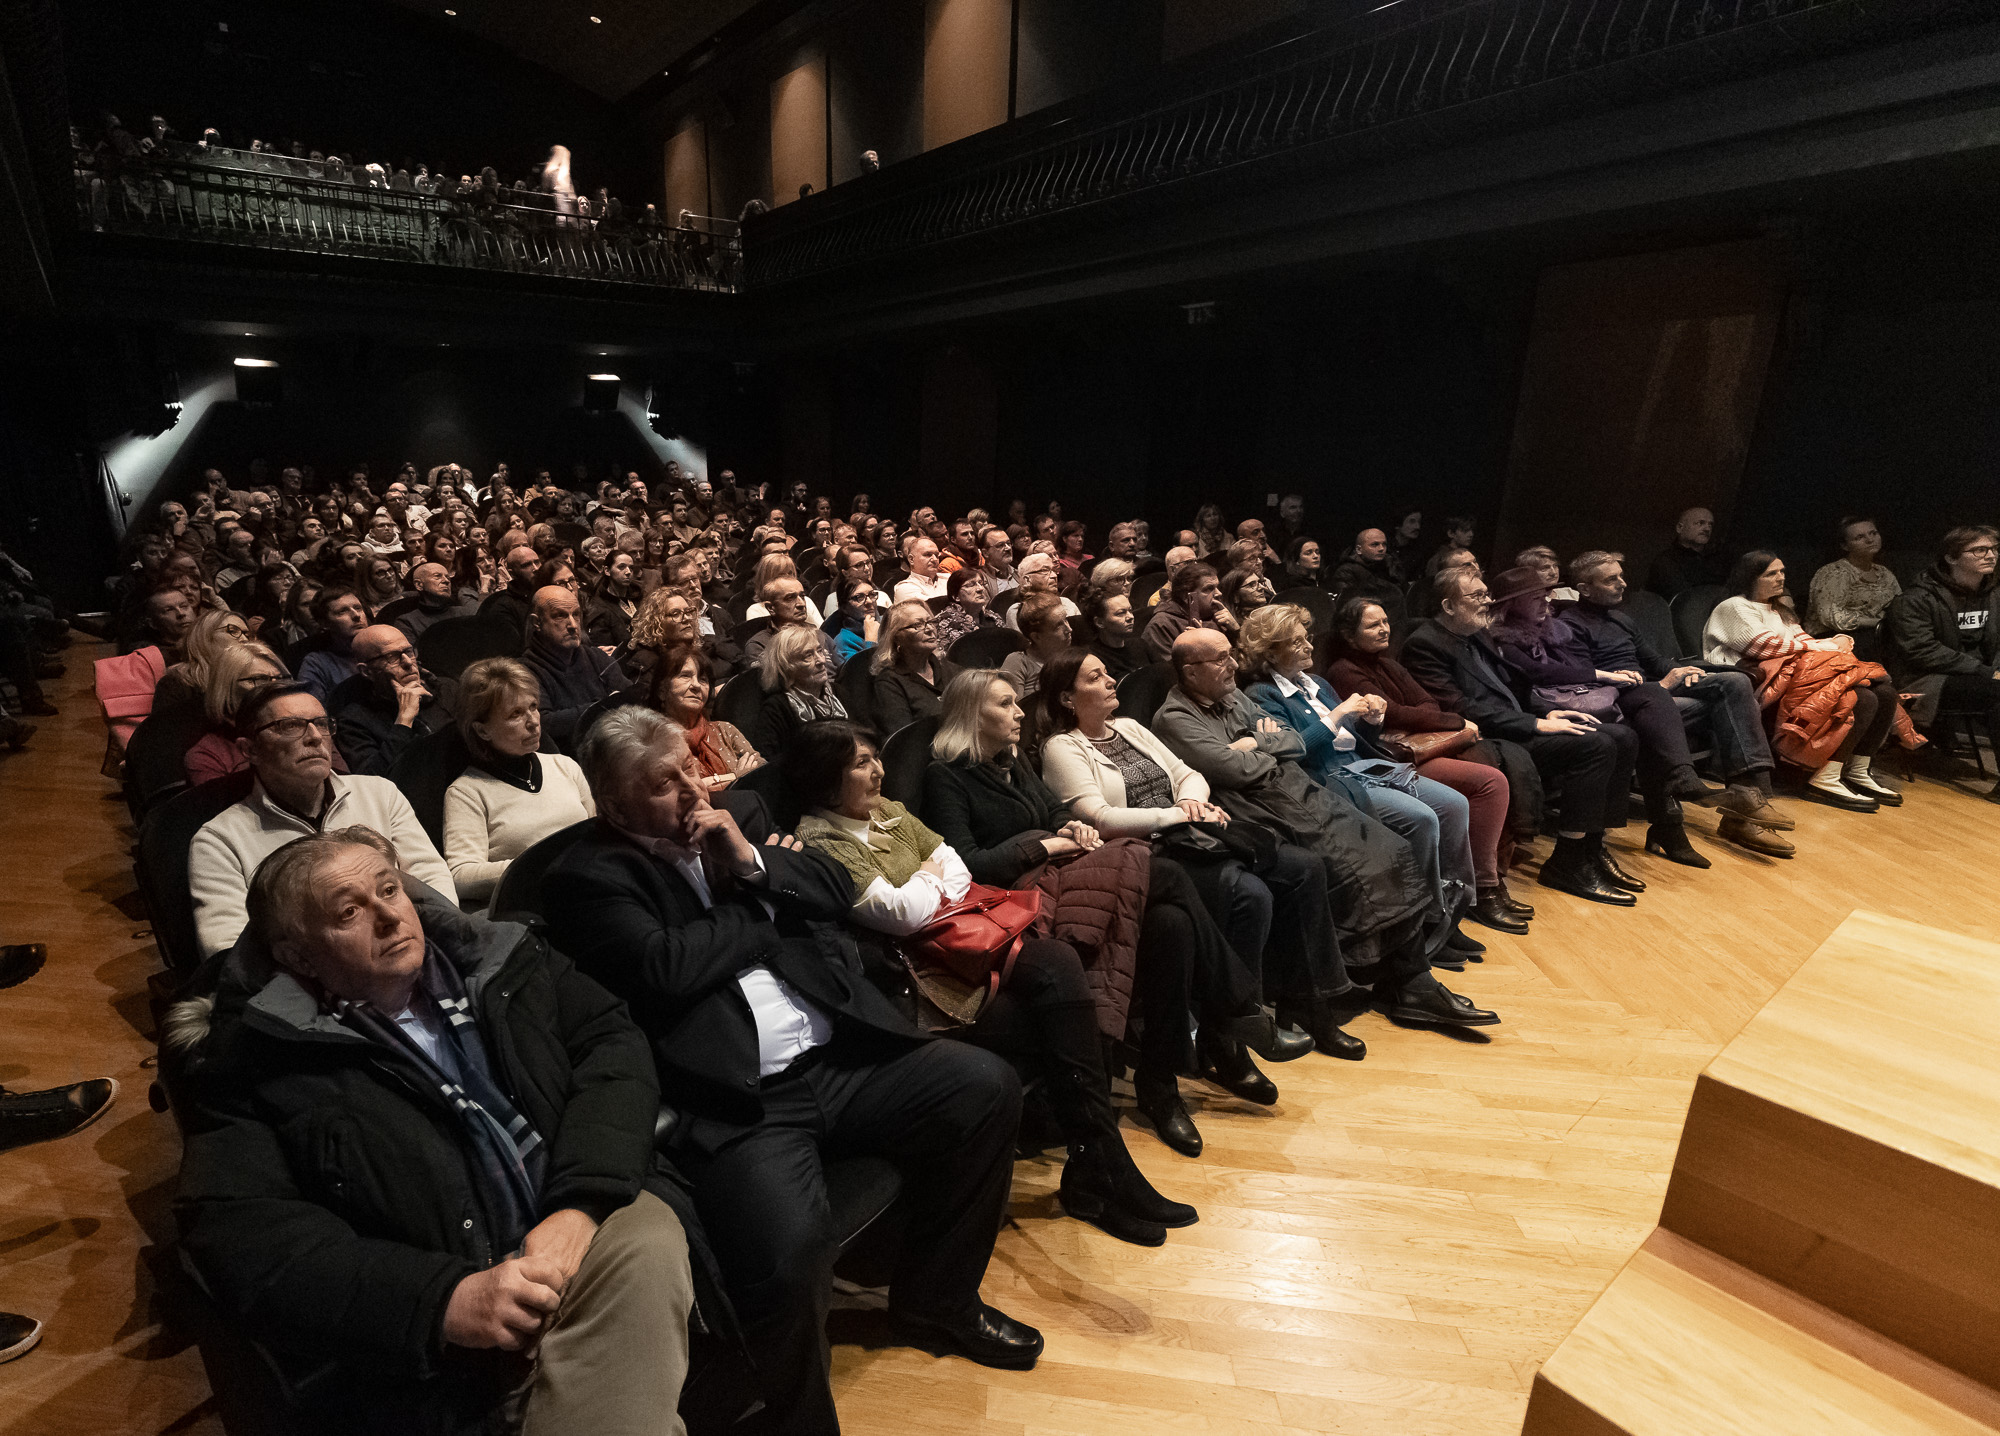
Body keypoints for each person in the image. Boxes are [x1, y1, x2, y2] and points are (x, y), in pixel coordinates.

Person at [539, 708, 1041, 1434]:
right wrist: (765, 907)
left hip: (841, 1056)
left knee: (985, 1088)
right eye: (662, 784)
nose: (691, 789)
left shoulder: (738, 810)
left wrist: (750, 864)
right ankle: (800, 1417)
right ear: (613, 805)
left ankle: (937, 1301)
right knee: (787, 1255)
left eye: (688, 766)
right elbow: (665, 968)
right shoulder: (584, 875)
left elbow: (833, 888)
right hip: (745, 1100)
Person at [167, 826, 697, 1435]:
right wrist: (446, 1301)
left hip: (581, 1231)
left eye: (390, 890)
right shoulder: (255, 1059)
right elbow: (244, 1235)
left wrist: (577, 1210)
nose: (390, 917)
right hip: (453, 1320)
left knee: (649, 1230)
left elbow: (614, 1045)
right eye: (349, 912)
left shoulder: (505, 961)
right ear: (297, 956)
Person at [791, 718, 1197, 1242]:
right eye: (862, 763)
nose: (879, 771)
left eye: (876, 757)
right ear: (826, 778)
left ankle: (1096, 1161)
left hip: (963, 942)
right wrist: (927, 880)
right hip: (918, 974)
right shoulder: (820, 839)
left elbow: (955, 868)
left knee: (1061, 961)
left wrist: (926, 885)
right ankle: (1098, 1164)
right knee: (1061, 1004)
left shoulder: (888, 811)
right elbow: (900, 913)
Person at [1155, 630, 1500, 1033]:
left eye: (1232, 655)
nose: (1233, 665)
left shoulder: (1233, 695)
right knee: (1357, 864)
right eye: (1221, 659)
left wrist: (1254, 743)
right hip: (1256, 808)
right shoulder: (1174, 717)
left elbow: (1294, 742)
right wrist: (1262, 742)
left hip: (1297, 789)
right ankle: (1402, 984)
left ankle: (1407, 980)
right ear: (1190, 672)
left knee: (1393, 849)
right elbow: (1234, 770)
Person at [1038, 652, 1366, 1060]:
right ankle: (1228, 1041)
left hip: (1192, 832)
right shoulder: (1061, 748)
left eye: (1107, 672)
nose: (1110, 681)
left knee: (1304, 868)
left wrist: (1192, 802)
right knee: (1252, 896)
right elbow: (1099, 817)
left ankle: (1309, 1004)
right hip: (1146, 851)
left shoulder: (1129, 727)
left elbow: (1187, 774)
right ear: (1068, 698)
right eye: (1095, 677)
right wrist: (1178, 813)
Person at [1236, 606, 1485, 960]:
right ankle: (1427, 923)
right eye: (1297, 642)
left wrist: (1372, 719)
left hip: (1366, 767)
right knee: (1422, 819)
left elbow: (1353, 737)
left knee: (1453, 804)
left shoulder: (1317, 684)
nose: (1309, 646)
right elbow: (1293, 751)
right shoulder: (1263, 695)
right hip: (1331, 781)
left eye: (1307, 637)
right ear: (1271, 652)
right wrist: (1338, 715)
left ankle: (1449, 909)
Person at [1400, 570, 1642, 907]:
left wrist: (1546, 714)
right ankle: (1568, 861)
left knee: (1623, 736)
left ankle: (1591, 844)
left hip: (1517, 721)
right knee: (1595, 745)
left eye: (1486, 593)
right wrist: (1534, 724)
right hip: (1487, 735)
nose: (1488, 601)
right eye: (1477, 596)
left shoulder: (1477, 634)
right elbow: (1458, 708)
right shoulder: (1425, 644)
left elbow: (1512, 686)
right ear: (1448, 605)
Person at [189, 683, 456, 956]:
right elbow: (226, 948)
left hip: (410, 951)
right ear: (250, 750)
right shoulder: (219, 841)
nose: (315, 737)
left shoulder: (379, 793)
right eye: (290, 726)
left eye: (322, 723)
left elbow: (430, 878)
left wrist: (440, 945)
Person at [1561, 552, 1798, 857]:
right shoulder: (1569, 624)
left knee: (1735, 682)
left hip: (1650, 688)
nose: (1623, 584)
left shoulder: (1621, 619)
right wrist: (1658, 685)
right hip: (1619, 697)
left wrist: (1679, 670)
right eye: (1611, 579)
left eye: (1621, 575)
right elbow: (1583, 681)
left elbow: (1654, 661)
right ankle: (1715, 816)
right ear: (1584, 588)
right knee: (1690, 705)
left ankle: (1750, 799)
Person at [1485, 567, 1715, 868]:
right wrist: (1604, 675)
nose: (1546, 603)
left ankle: (1678, 781)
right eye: (1535, 598)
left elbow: (1579, 666)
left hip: (1583, 697)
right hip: (1549, 706)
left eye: (1546, 596)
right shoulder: (1503, 639)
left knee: (1652, 701)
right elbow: (1541, 673)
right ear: (1511, 605)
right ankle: (1659, 823)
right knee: (1639, 729)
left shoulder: (1555, 629)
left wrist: (1613, 679)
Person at [1323, 596, 1529, 926]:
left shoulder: (1387, 663)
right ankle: (1484, 889)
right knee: (1491, 782)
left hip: (1419, 745)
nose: (1383, 629)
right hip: (1395, 757)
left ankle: (1489, 882)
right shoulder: (1344, 671)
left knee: (1499, 765)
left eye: (1386, 622)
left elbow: (1425, 702)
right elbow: (1395, 713)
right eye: (1373, 625)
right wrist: (1455, 723)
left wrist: (1426, 718)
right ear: (1349, 635)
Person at [1706, 552, 1904, 810]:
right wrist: (1828, 646)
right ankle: (1825, 777)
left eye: (1782, 571)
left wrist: (1839, 640)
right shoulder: (1733, 606)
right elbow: (1763, 646)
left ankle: (1855, 768)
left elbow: (1805, 643)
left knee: (1883, 691)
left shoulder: (1780, 610)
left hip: (1791, 677)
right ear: (1750, 577)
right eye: (1771, 573)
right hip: (1753, 682)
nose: (1781, 578)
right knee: (1858, 696)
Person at [443, 658, 596, 905]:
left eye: (533, 707)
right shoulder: (467, 791)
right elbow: (461, 875)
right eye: (516, 714)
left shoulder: (563, 765)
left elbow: (597, 830)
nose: (534, 721)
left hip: (591, 886)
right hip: (533, 904)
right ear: (483, 731)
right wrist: (545, 862)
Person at [1886, 525, 2000, 798]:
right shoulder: (1916, 599)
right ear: (1951, 558)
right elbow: (1922, 651)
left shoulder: (1994, 594)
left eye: (1994, 549)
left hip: (1981, 676)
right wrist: (1986, 672)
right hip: (1929, 681)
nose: (1991, 556)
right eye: (1979, 550)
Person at [330, 624, 462, 777]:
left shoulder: (447, 688)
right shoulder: (353, 721)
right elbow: (375, 779)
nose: (407, 662)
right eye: (392, 657)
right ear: (367, 672)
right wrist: (404, 720)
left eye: (408, 651)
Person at [521, 586, 630, 753]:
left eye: (576, 614)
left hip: (615, 748)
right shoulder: (525, 671)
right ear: (537, 623)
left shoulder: (596, 657)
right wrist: (604, 705)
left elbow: (630, 696)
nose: (573, 625)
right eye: (560, 616)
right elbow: (545, 723)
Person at [651, 646, 763, 790]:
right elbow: (680, 790)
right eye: (685, 676)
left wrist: (713, 783)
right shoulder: (653, 741)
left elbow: (761, 769)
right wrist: (735, 777)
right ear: (662, 691)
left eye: (703, 679)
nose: (696, 685)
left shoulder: (725, 730)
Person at [183, 641, 290, 785]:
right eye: (258, 679)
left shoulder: (310, 725)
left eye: (279, 678)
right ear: (227, 686)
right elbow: (221, 805)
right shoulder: (208, 755)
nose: (274, 686)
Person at [1806, 517, 1901, 660]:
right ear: (1845, 546)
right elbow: (1831, 616)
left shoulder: (1884, 573)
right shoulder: (1835, 572)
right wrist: (1879, 622)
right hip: (1835, 641)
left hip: (1876, 638)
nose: (1870, 540)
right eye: (1859, 537)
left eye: (1873, 533)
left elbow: (1900, 604)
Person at [749, 624, 848, 759]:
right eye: (808, 656)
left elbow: (866, 736)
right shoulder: (776, 709)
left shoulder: (838, 692)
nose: (821, 660)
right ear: (786, 667)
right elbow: (770, 764)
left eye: (820, 651)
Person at [872, 600, 959, 733]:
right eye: (918, 625)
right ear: (896, 637)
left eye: (930, 622)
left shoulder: (951, 669)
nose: (930, 629)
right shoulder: (889, 683)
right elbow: (904, 738)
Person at [1142, 561, 1236, 662]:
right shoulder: (1161, 625)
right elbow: (1170, 672)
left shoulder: (1217, 616)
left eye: (1217, 587)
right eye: (1209, 589)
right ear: (1186, 596)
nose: (1219, 593)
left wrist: (1235, 631)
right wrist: (1196, 645)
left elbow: (1237, 664)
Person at [295, 587, 370, 702]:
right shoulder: (317, 663)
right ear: (324, 623)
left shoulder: (387, 644)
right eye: (342, 611)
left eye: (358, 608)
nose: (356, 615)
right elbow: (311, 708)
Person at [1645, 506, 1731, 600]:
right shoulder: (1666, 561)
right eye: (1700, 523)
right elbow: (1683, 598)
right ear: (1680, 528)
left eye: (1710, 525)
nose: (1707, 529)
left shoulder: (1717, 560)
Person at [1329, 529, 1409, 631]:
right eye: (1374, 545)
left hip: (1394, 622)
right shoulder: (1346, 571)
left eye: (1384, 544)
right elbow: (1348, 608)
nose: (1381, 549)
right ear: (1359, 550)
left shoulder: (1390, 566)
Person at [998, 594, 1070, 700]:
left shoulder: (1071, 657)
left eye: (1066, 620)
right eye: (1058, 626)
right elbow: (1010, 710)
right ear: (1036, 637)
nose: (1069, 629)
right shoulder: (1018, 662)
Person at [933, 567, 998, 656]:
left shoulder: (993, 617)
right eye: (971, 585)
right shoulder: (946, 623)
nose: (980, 589)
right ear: (956, 596)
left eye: (981, 583)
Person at [586, 547, 643, 648]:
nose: (628, 572)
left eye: (631, 568)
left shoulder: (640, 596)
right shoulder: (599, 607)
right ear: (607, 570)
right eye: (622, 567)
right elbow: (605, 650)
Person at [1084, 588, 1141, 681]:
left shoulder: (1141, 644)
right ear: (1099, 622)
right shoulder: (1092, 659)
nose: (1131, 617)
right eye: (1121, 613)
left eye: (1130, 610)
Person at [822, 575, 882, 664]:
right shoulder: (843, 641)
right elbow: (861, 675)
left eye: (872, 594)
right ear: (844, 607)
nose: (869, 601)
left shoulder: (888, 623)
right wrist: (871, 641)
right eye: (859, 597)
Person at [892, 535, 949, 605]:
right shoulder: (904, 588)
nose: (935, 559)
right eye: (928, 555)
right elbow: (932, 608)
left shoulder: (949, 578)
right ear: (911, 559)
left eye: (937, 555)